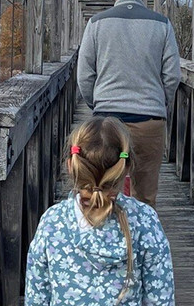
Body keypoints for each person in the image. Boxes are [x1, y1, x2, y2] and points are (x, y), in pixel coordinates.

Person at [25, 116, 175, 306]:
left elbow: (37, 296)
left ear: (70, 166)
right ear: (126, 168)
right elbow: (161, 298)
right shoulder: (145, 221)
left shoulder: (53, 222)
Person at [77, 0, 181, 208]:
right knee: (145, 197)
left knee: (102, 192)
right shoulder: (162, 25)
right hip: (149, 121)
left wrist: (98, 104)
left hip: (107, 124)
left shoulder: (96, 23)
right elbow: (172, 76)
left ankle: (105, 242)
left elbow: (84, 76)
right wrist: (157, 103)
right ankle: (141, 244)